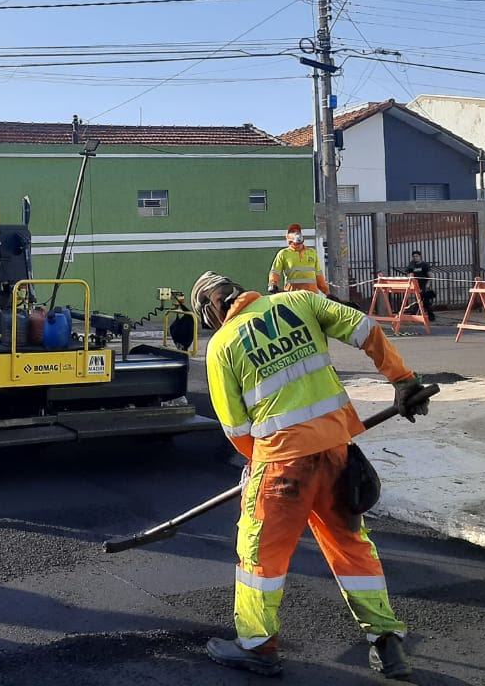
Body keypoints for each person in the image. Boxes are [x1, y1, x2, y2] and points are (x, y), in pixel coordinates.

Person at [190, 270, 427, 679]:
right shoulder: (299, 302)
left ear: (212, 310)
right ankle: (387, 643)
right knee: (351, 549)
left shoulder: (222, 346)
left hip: (281, 469)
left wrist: (256, 465)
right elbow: (365, 328)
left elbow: (236, 428)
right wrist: (403, 380)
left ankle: (257, 646)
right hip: (336, 455)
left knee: (260, 559)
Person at [268, 223, 328, 295]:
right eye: (293, 231)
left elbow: (319, 276)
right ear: (289, 240)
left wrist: (327, 293)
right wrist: (273, 283)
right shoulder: (283, 254)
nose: (296, 233)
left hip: (312, 296)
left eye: (297, 231)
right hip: (292, 296)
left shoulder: (312, 253)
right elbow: (275, 272)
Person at [405, 251, 436, 321]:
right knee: (420, 300)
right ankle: (415, 314)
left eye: (417, 256)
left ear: (420, 256)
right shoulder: (412, 264)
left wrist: (428, 284)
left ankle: (429, 315)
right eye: (414, 256)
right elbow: (408, 273)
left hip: (423, 285)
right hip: (415, 285)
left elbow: (430, 275)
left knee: (423, 300)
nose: (415, 258)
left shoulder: (424, 265)